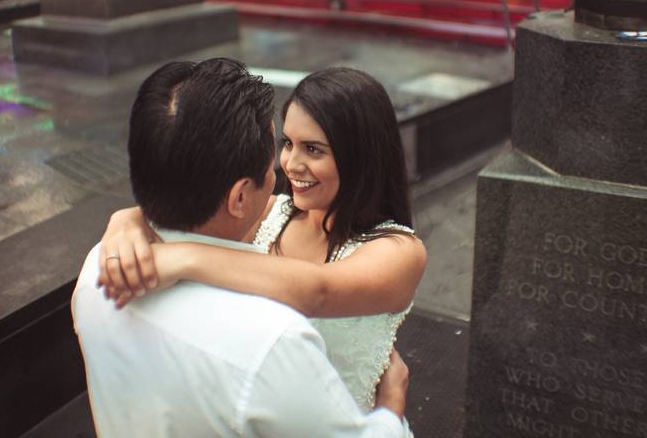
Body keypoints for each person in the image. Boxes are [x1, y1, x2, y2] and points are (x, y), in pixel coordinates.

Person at [73, 58, 412, 437]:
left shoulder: (398, 249)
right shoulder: (275, 214)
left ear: (361, 155)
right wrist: (127, 219)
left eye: (313, 149)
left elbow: (320, 288)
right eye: (286, 144)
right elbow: (190, 195)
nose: (289, 164)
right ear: (240, 197)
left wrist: (182, 254)